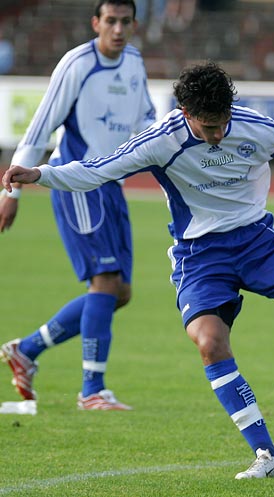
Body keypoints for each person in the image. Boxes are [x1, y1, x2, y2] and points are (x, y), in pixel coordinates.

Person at [2, 61, 274, 478]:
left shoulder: (252, 125)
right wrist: (40, 173)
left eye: (222, 123)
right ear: (185, 114)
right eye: (207, 128)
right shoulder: (161, 140)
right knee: (209, 342)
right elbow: (97, 170)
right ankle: (266, 456)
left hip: (257, 241)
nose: (218, 134)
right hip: (199, 257)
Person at [0, 0, 156, 410]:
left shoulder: (135, 63)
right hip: (78, 181)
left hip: (112, 185)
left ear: (134, 25)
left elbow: (147, 122)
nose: (118, 29)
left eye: (125, 22)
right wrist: (10, 192)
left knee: (120, 292)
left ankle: (27, 350)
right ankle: (91, 389)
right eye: (111, 21)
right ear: (96, 23)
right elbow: (39, 128)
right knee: (104, 282)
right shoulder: (77, 64)